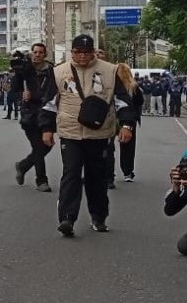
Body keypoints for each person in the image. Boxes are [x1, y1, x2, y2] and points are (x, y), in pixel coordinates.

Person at [39, 34, 137, 237]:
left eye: (86, 52)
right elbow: (48, 104)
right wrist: (46, 129)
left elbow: (123, 101)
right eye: (78, 52)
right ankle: (67, 218)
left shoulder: (110, 71)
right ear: (72, 52)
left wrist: (127, 125)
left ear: (93, 52)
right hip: (70, 133)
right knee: (71, 173)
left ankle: (98, 217)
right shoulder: (59, 72)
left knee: (97, 177)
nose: (82, 56)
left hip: (99, 133)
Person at [13, 43, 54, 192]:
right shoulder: (26, 70)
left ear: (45, 55)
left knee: (47, 145)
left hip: (46, 113)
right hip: (29, 115)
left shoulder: (51, 71)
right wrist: (17, 73)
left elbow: (50, 93)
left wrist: (34, 95)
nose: (37, 55)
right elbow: (14, 88)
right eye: (35, 52)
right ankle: (41, 181)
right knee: (38, 147)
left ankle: (23, 165)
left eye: (40, 52)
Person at [108, 63, 144, 185]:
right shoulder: (134, 87)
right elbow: (140, 101)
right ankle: (128, 172)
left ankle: (109, 173)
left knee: (108, 147)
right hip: (128, 120)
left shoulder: (111, 85)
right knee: (128, 147)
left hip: (113, 118)